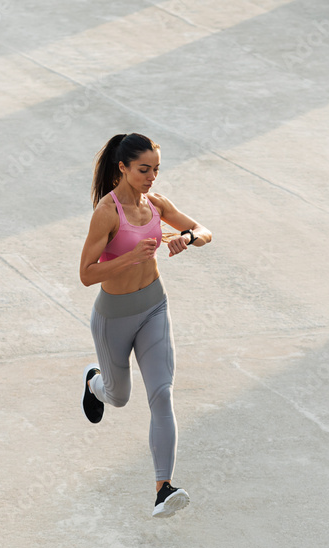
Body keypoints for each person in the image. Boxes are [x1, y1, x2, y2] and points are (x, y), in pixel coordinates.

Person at [79, 133, 213, 518]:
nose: (152, 177)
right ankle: (94, 382)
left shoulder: (155, 203)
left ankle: (163, 488)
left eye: (156, 169)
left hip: (154, 306)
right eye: (144, 170)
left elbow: (204, 230)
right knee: (118, 396)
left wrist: (185, 238)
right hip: (114, 317)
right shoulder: (107, 212)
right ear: (122, 167)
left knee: (162, 394)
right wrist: (130, 257)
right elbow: (87, 274)